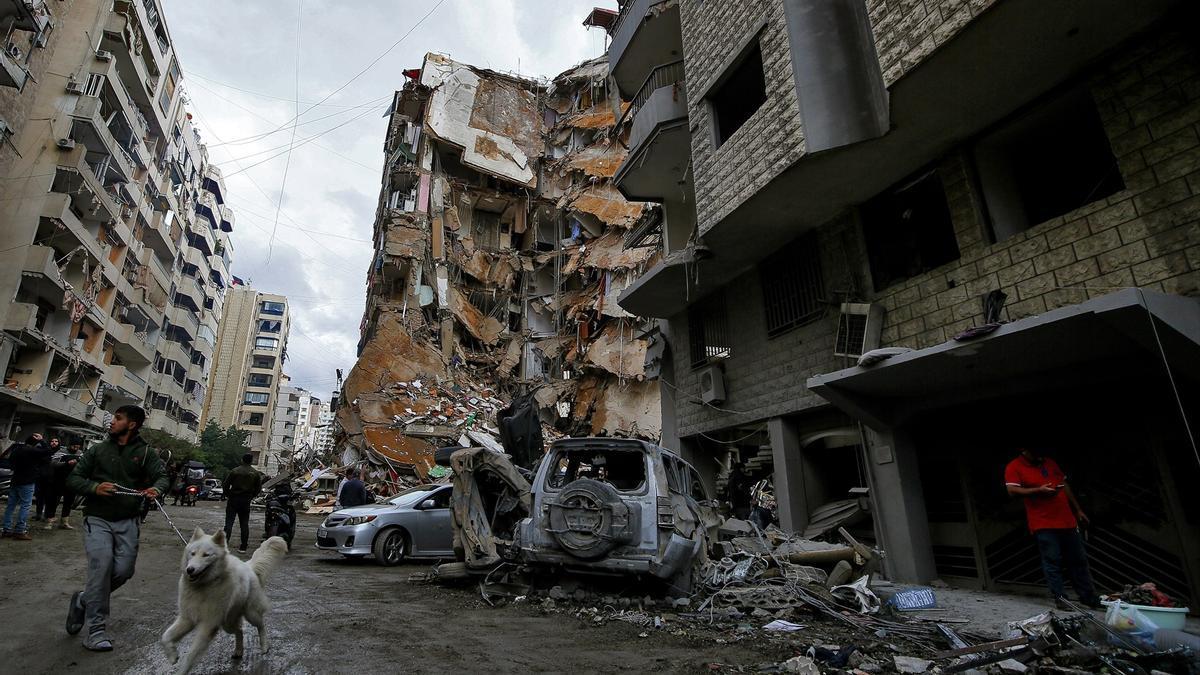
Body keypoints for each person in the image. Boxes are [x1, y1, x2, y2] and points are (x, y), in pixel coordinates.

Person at [64, 405, 167, 652]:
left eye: (118, 418)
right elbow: (74, 479)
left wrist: (156, 489)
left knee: (123, 571)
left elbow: (161, 477)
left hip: (129, 520)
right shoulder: (98, 450)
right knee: (101, 566)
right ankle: (96, 631)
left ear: (132, 424)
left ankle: (83, 600)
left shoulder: (145, 454)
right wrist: (94, 488)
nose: (112, 421)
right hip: (97, 518)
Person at [1004, 446, 1101, 610]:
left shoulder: (1049, 462)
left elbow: (1064, 484)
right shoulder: (1014, 466)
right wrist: (1038, 490)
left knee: (1078, 560)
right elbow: (1012, 490)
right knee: (1052, 560)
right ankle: (1060, 598)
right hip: (1043, 523)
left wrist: (1077, 509)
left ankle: (1088, 597)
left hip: (1066, 520)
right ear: (1025, 450)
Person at [2, 433, 51, 540]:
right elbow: (48, 451)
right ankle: (19, 530)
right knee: (25, 505)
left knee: (10, 506)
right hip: (27, 481)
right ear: (35, 443)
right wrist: (42, 440)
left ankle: (6, 529)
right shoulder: (32, 451)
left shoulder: (17, 450)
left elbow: (10, 461)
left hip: (15, 480)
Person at [223, 453, 263, 554]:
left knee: (229, 523)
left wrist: (228, 495)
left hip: (233, 499)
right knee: (244, 524)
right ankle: (243, 546)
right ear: (251, 461)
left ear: (242, 460)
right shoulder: (255, 473)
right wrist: (251, 496)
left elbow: (226, 485)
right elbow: (258, 488)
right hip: (246, 500)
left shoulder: (235, 471)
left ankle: (224, 545)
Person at [42, 440, 82, 530]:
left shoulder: (80, 453)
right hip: (58, 480)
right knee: (53, 501)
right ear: (69, 445)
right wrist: (66, 463)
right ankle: (50, 521)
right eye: (74, 446)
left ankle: (64, 522)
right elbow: (53, 463)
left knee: (69, 502)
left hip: (72, 480)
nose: (76, 448)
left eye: (77, 447)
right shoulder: (61, 452)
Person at [33, 437, 61, 521]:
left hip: (53, 479)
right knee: (39, 497)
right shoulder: (45, 451)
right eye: (52, 441)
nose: (54, 442)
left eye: (56, 441)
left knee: (50, 498)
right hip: (41, 478)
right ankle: (38, 514)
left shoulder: (60, 453)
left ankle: (47, 515)